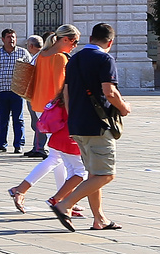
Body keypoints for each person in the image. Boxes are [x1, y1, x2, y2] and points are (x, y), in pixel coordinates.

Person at [51, 22, 129, 231]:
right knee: (106, 174)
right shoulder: (105, 59)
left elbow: (66, 93)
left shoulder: (73, 59)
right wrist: (124, 108)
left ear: (91, 38)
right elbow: (109, 91)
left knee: (94, 173)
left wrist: (72, 118)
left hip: (76, 124)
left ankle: (99, 219)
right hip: (98, 125)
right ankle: (64, 204)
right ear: (110, 42)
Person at [26, 27, 77, 160]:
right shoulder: (60, 58)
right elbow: (60, 87)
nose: (75, 46)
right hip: (53, 108)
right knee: (58, 155)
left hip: (39, 105)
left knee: (56, 154)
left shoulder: (42, 55)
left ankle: (62, 181)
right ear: (65, 39)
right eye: (74, 42)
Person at [0, 27, 31, 153]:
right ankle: (1, 144)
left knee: (18, 119)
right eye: (8, 37)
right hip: (2, 91)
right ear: (3, 39)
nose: (11, 40)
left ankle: (18, 144)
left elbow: (30, 71)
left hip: (18, 92)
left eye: (13, 37)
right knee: (3, 119)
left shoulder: (23, 53)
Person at [20, 35, 47, 155]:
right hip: (37, 94)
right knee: (36, 122)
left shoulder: (39, 58)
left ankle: (40, 148)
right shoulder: (39, 56)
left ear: (31, 46)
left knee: (38, 122)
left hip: (36, 95)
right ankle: (37, 146)